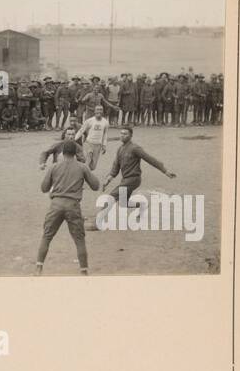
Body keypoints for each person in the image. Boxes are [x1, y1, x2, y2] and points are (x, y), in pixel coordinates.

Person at [35, 140, 98, 275]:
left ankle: (38, 268)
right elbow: (96, 186)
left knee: (46, 236)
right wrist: (86, 170)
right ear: (75, 153)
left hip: (56, 204)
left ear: (62, 153)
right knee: (79, 239)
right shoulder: (82, 167)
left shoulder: (54, 166)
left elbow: (44, 188)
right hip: (73, 205)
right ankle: (84, 271)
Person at [101, 126, 177, 214]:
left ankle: (98, 221)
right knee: (123, 203)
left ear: (131, 136)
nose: (122, 135)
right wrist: (108, 180)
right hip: (125, 179)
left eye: (125, 134)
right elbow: (115, 167)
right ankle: (142, 205)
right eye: (121, 133)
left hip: (133, 179)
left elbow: (150, 159)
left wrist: (165, 171)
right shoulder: (120, 149)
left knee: (112, 196)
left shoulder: (135, 148)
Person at [76, 103, 110, 170]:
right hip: (89, 143)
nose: (99, 111)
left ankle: (83, 172)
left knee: (93, 166)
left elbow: (105, 134)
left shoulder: (105, 122)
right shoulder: (89, 121)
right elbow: (81, 131)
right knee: (87, 161)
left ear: (102, 111)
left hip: (98, 145)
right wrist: (74, 139)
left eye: (101, 110)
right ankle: (83, 175)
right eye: (97, 109)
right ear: (94, 111)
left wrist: (104, 145)